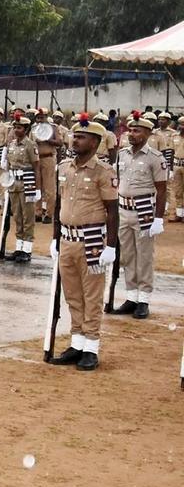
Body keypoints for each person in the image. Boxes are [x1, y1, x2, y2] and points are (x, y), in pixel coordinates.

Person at [48, 113, 118, 371]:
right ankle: (76, 342)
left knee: (92, 296)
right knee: (73, 295)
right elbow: (58, 205)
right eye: (74, 136)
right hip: (67, 238)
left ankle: (91, 347)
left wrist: (110, 246)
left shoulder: (103, 171)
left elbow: (112, 211)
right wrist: (55, 238)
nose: (74, 140)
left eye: (81, 137)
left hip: (92, 241)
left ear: (95, 142)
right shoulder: (64, 168)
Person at [111, 112, 168, 319]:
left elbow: (162, 190)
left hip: (144, 210)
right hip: (123, 210)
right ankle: (131, 296)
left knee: (144, 257)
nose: (131, 134)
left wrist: (159, 218)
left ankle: (144, 299)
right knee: (127, 255)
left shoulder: (155, 158)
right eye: (130, 130)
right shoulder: (122, 154)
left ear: (147, 134)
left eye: (137, 131)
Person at [1, 115, 40, 263]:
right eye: (15, 127)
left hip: (27, 183)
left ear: (26, 129)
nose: (16, 130)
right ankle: (19, 247)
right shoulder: (11, 144)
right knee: (17, 216)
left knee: (27, 217)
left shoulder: (30, 145)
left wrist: (37, 188)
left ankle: (27, 250)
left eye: (19, 128)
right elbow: (8, 165)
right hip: (13, 183)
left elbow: (36, 167)